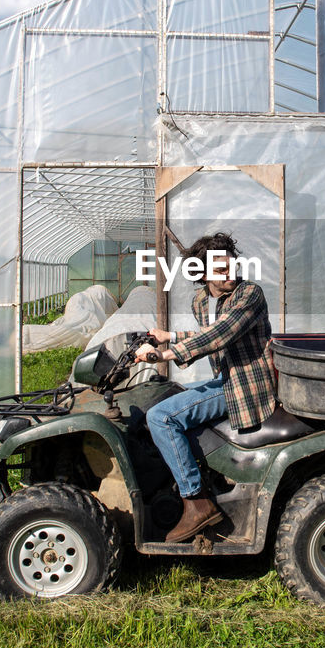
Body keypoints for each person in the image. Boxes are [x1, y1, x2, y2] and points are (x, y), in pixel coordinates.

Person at [135, 232, 275, 543]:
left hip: (246, 387)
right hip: (226, 379)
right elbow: (207, 331)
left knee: (161, 417)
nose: (230, 273)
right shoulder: (201, 301)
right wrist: (167, 335)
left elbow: (221, 334)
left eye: (231, 265)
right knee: (169, 393)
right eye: (220, 269)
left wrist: (166, 353)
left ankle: (195, 500)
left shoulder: (249, 295)